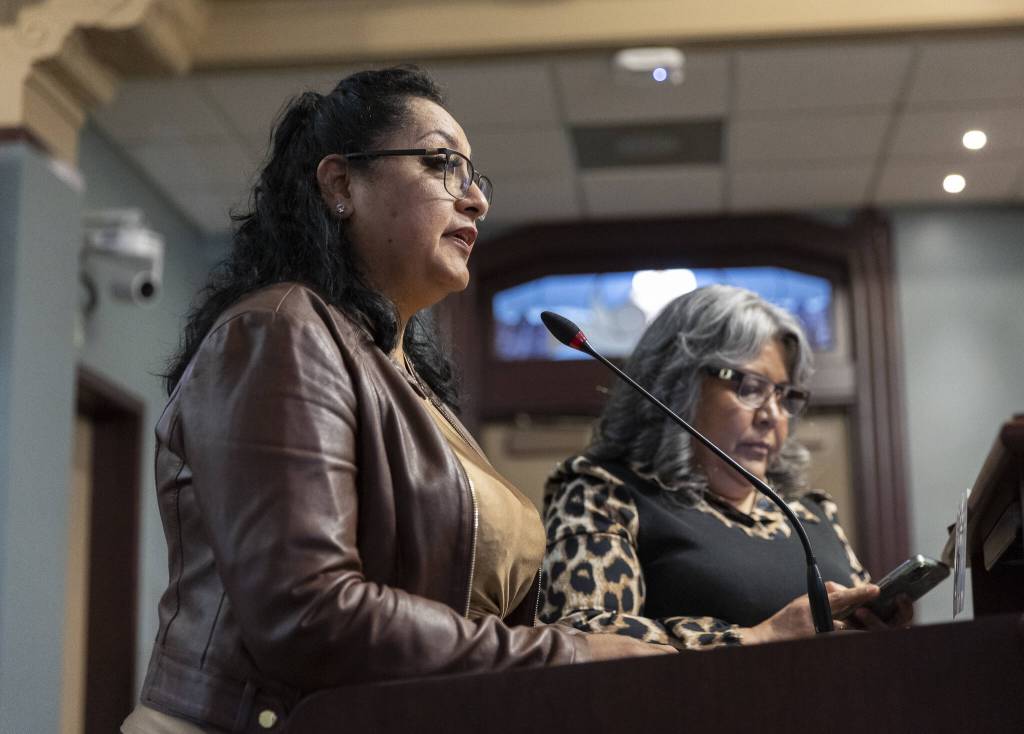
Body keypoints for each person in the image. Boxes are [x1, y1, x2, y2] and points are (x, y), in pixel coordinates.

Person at [121, 67, 669, 734]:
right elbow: (308, 612)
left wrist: (720, 639)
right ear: (341, 184)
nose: (476, 200)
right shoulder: (280, 329)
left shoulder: (407, 380)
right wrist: (566, 654)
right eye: (442, 163)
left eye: (474, 177)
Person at [540, 285, 913, 649]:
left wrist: (877, 633)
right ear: (678, 387)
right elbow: (580, 635)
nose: (772, 415)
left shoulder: (813, 515)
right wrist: (756, 637)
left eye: (784, 396)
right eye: (750, 387)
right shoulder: (602, 493)